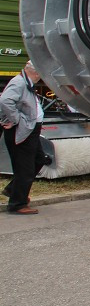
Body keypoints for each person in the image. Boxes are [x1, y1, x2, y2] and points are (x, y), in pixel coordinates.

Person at [0, 61, 48, 215]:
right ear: (36, 73)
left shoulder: (24, 82)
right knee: (25, 167)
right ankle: (17, 204)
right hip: (23, 130)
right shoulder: (19, 82)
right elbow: (5, 101)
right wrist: (16, 119)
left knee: (40, 159)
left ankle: (13, 190)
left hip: (29, 129)